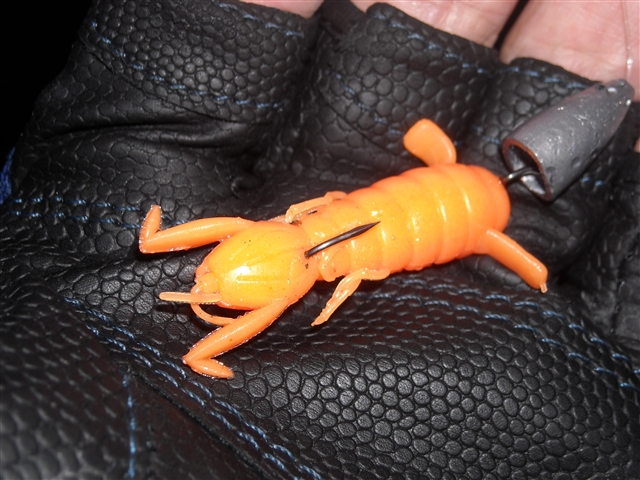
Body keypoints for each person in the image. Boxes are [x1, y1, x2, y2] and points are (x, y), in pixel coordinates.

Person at [1, 1, 638, 478]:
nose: (205, 280)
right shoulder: (285, 250)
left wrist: (173, 269)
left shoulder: (292, 262)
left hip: (457, 217)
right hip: (431, 206)